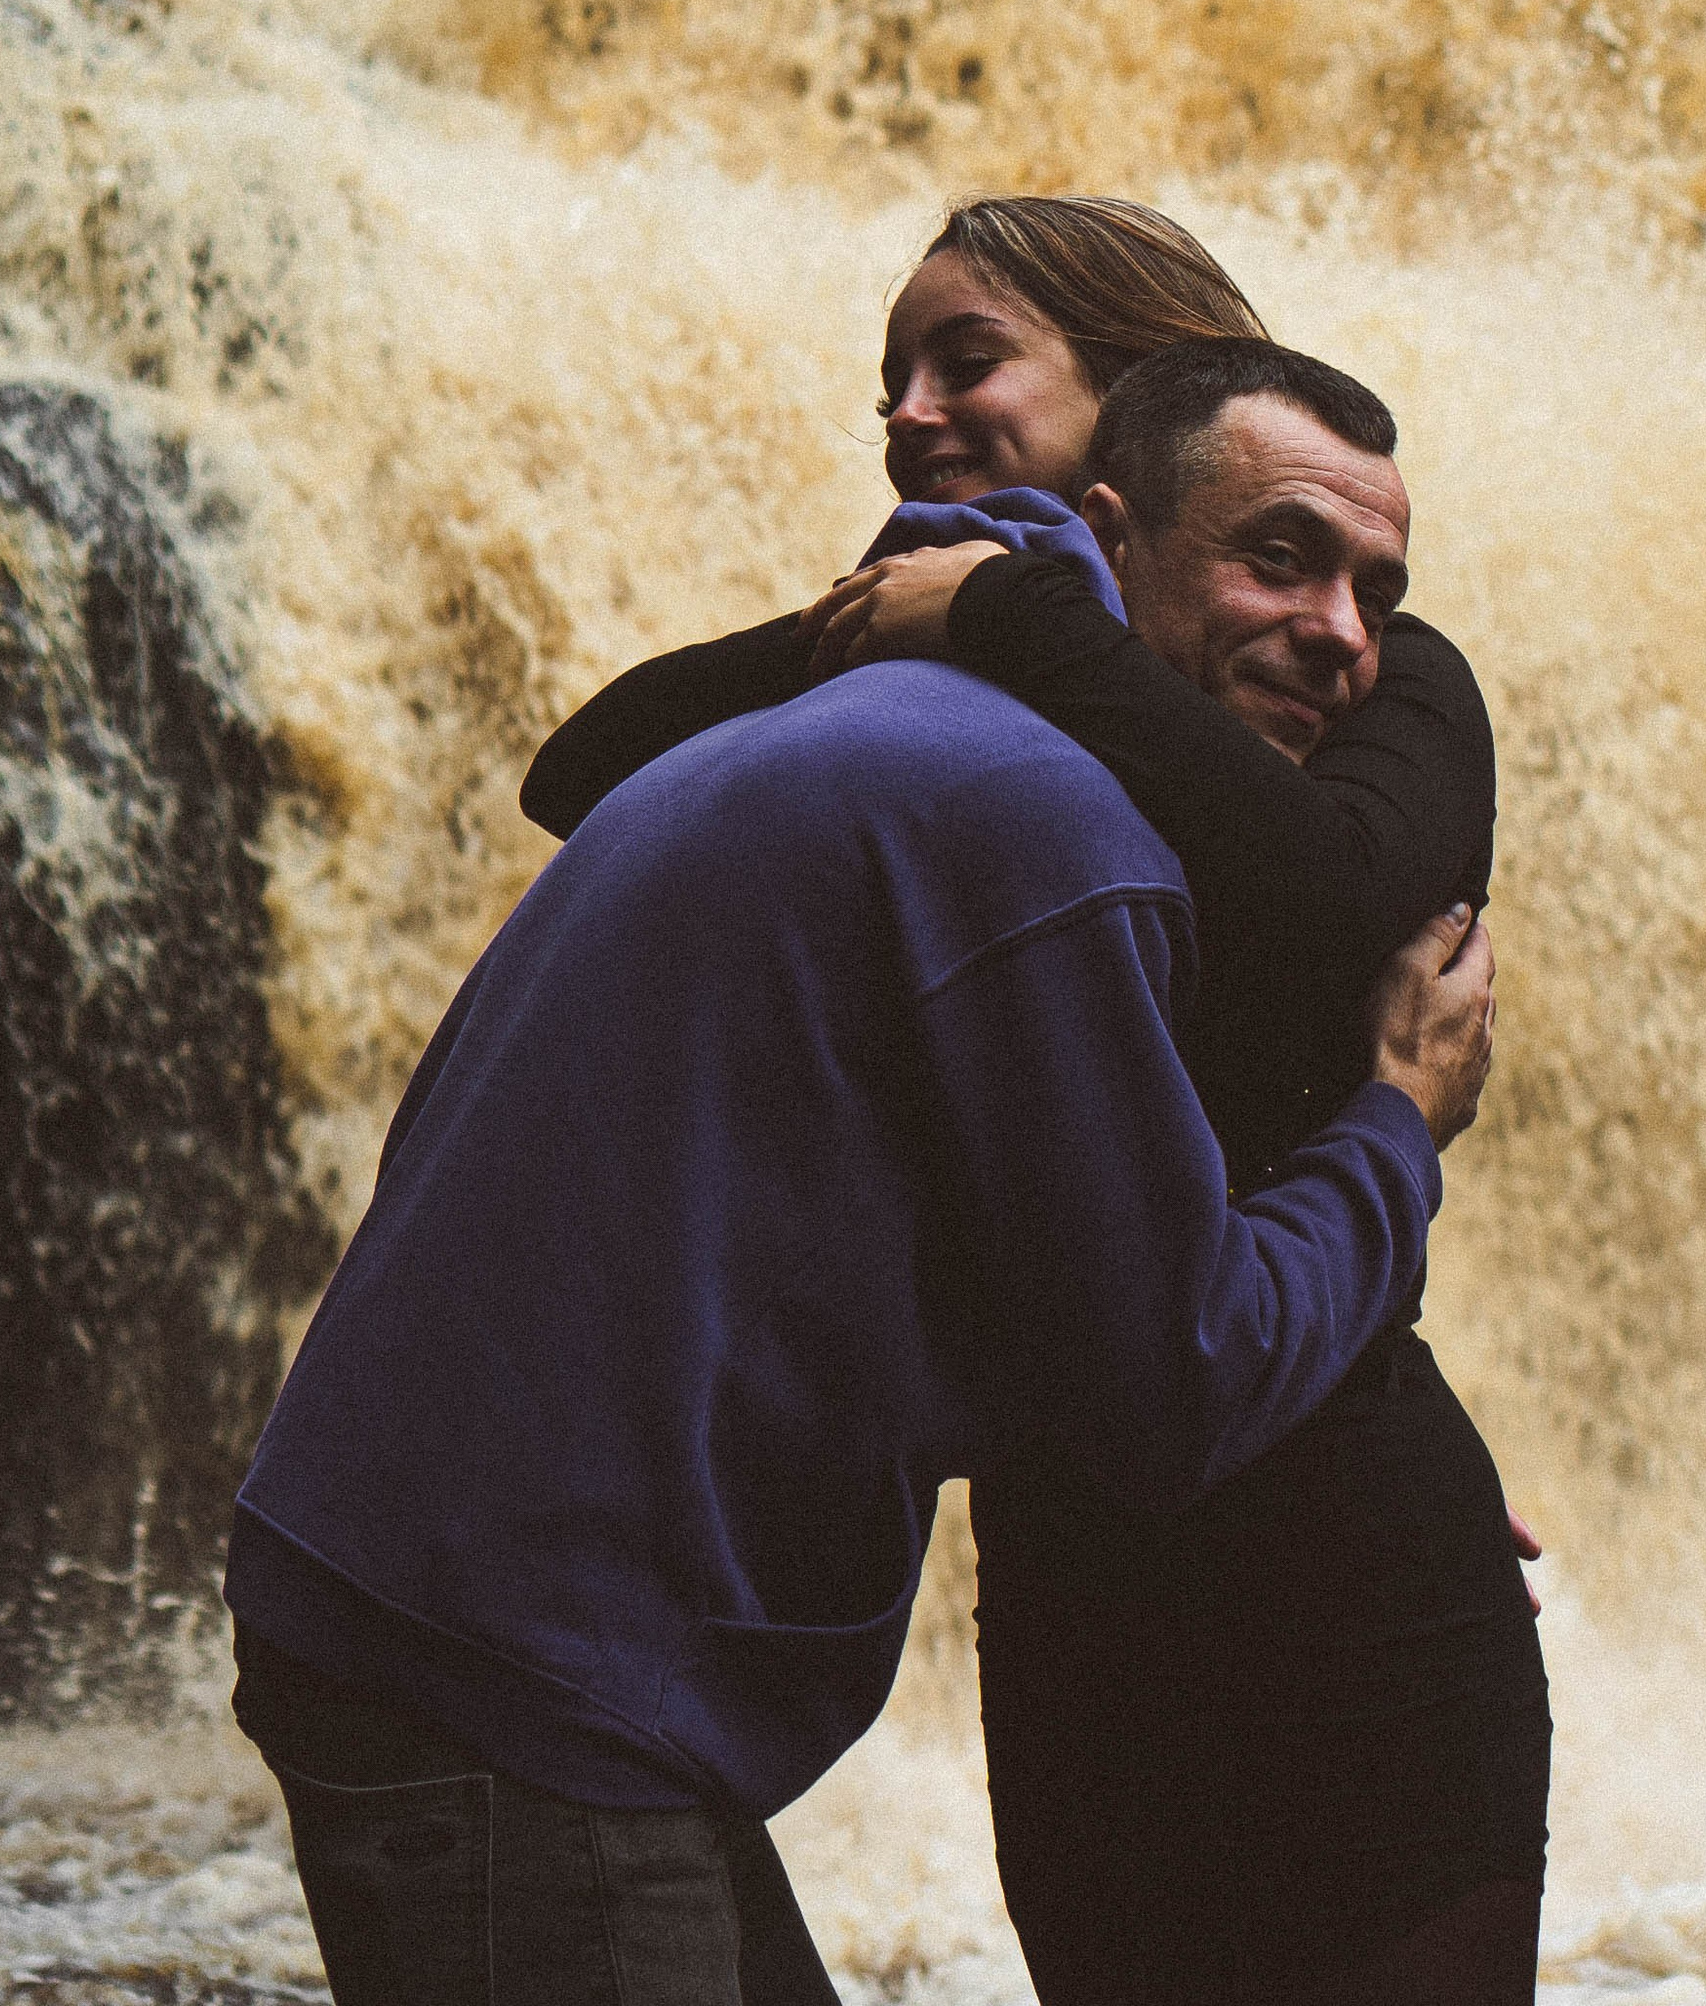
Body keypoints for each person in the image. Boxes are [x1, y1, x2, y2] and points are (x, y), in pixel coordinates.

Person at [225, 395, 1499, 2006]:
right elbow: (1176, 1379)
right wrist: (1398, 1127)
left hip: (466, 1602)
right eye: (1274, 560)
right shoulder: (1048, 830)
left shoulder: (892, 726)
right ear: (1106, 535)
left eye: (1371, 593)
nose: (1341, 637)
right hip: (518, 1663)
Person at [525, 199, 1550, 2005]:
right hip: (1084, 1587)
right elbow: (587, 767)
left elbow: (1314, 889)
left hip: (1354, 1566)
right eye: (895, 380)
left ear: (1151, 393)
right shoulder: (963, 693)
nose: (911, 413)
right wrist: (949, 618)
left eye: (970, 360)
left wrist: (1007, 606)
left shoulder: (1390, 683)